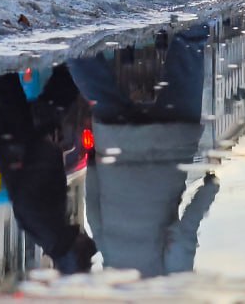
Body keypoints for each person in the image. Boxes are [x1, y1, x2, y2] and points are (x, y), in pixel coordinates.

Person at [67, 25, 219, 277]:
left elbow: (184, 236)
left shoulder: (169, 283)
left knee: (190, 47)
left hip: (168, 145)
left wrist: (209, 189)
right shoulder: (112, 269)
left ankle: (194, 26)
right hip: (118, 149)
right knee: (96, 84)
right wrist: (96, 162)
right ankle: (73, 39)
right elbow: (93, 211)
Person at [0, 65, 97, 274]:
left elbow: (29, 190)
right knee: (10, 84)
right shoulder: (52, 233)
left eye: (84, 247)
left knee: (55, 91)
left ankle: (76, 55)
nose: (85, 238)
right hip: (20, 140)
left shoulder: (49, 229)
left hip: (20, 139)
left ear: (75, 251)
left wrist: (47, 146)